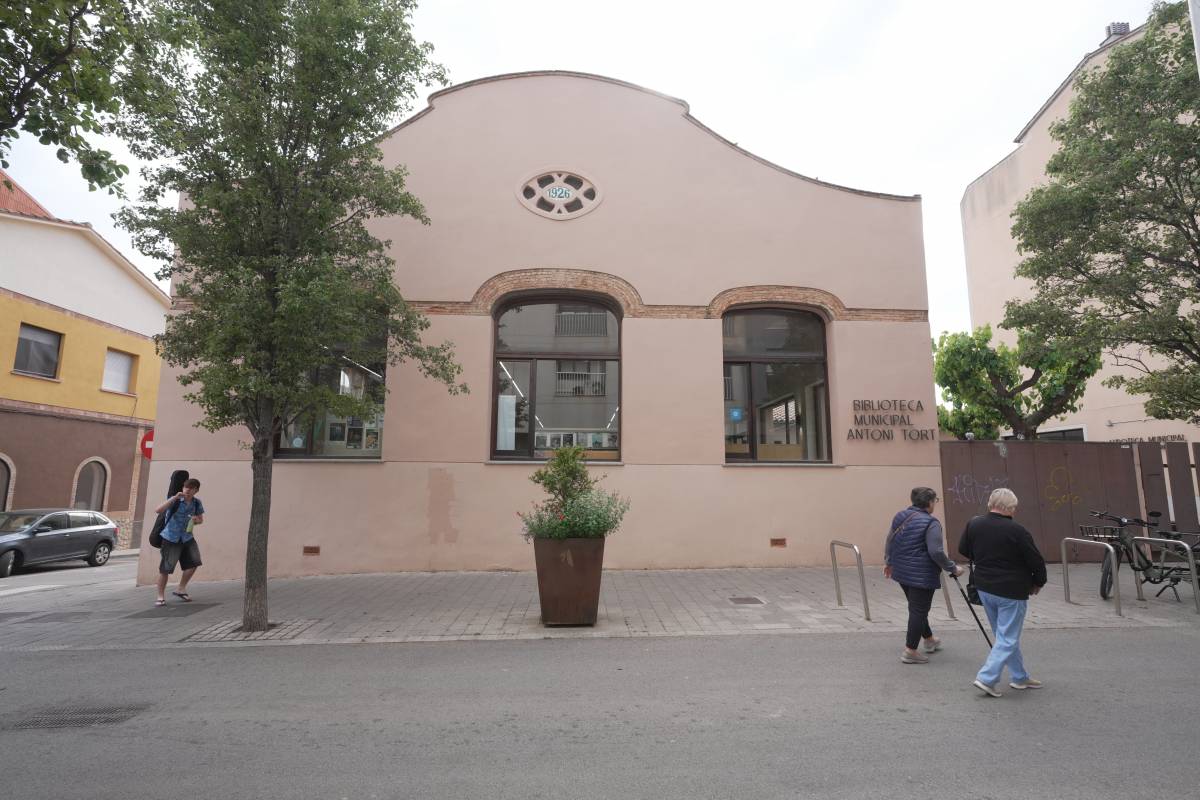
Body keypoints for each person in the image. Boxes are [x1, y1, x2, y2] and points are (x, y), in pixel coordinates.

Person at [958, 487, 1048, 697]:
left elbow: (963, 549)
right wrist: (1038, 582)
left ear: (990, 503)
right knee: (1007, 637)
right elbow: (1036, 561)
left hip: (984, 587)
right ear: (1012, 508)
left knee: (1003, 635)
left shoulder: (974, 523)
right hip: (1011, 590)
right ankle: (986, 678)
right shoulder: (1018, 531)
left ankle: (1019, 677)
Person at [884, 487, 964, 664]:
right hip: (921, 574)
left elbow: (890, 539)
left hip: (902, 571)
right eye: (935, 500)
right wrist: (953, 568)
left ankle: (929, 640)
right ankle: (910, 651)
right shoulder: (931, 523)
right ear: (930, 503)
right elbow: (935, 551)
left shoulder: (900, 516)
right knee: (918, 610)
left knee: (916, 608)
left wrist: (889, 562)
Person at [154, 478, 205, 606]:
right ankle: (160, 596)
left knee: (194, 563)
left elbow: (201, 520)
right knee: (165, 569)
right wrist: (174, 498)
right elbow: (158, 510)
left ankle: (181, 589)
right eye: (186, 487)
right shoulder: (175, 500)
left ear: (196, 490)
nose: (187, 490)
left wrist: (195, 520)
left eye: (191, 488)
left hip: (187, 537)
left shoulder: (197, 503)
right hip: (171, 538)